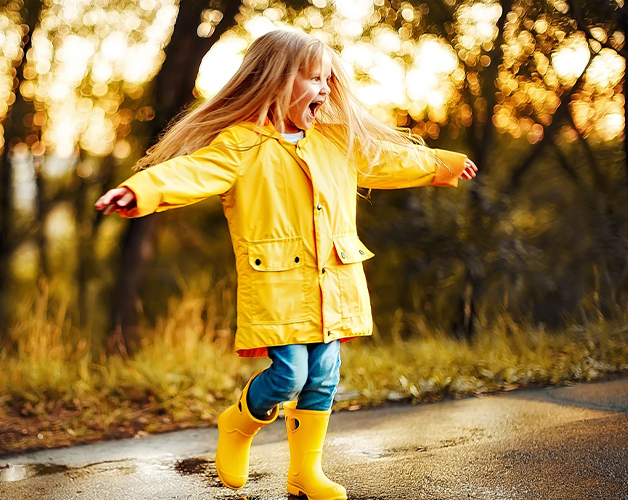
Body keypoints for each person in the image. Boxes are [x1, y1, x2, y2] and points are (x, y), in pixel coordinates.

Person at [95, 29, 477, 500]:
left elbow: (387, 159)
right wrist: (141, 191)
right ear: (275, 81)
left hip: (333, 281)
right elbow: (193, 172)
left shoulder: (337, 142)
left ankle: (304, 475)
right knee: (290, 375)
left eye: (327, 80)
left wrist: (440, 165)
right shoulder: (243, 144)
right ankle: (237, 425)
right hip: (279, 286)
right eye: (313, 78)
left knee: (324, 378)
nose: (324, 89)